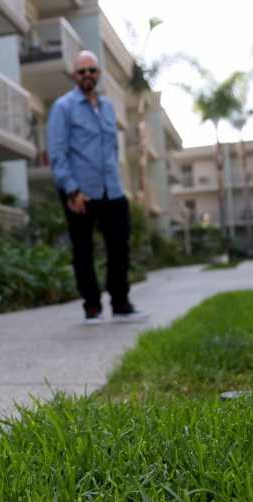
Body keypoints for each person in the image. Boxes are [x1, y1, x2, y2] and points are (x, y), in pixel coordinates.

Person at [47, 51, 149, 325]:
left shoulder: (106, 107)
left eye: (92, 70)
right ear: (74, 76)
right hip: (80, 191)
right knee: (83, 251)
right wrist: (71, 190)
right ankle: (91, 307)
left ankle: (120, 304)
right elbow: (57, 153)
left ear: (98, 74)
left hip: (112, 190)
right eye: (82, 71)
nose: (87, 75)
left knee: (119, 247)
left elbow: (112, 150)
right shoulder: (63, 107)